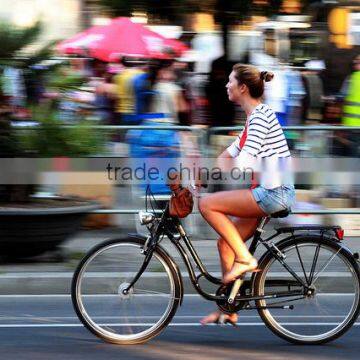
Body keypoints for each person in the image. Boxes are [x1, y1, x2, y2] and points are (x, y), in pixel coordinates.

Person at [198, 64, 295, 325]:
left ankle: (245, 258)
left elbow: (243, 165)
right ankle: (229, 306)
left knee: (207, 205)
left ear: (242, 88)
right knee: (225, 242)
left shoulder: (261, 117)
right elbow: (226, 157)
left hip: (274, 193)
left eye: (230, 81)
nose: (226, 85)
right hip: (266, 192)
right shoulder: (253, 119)